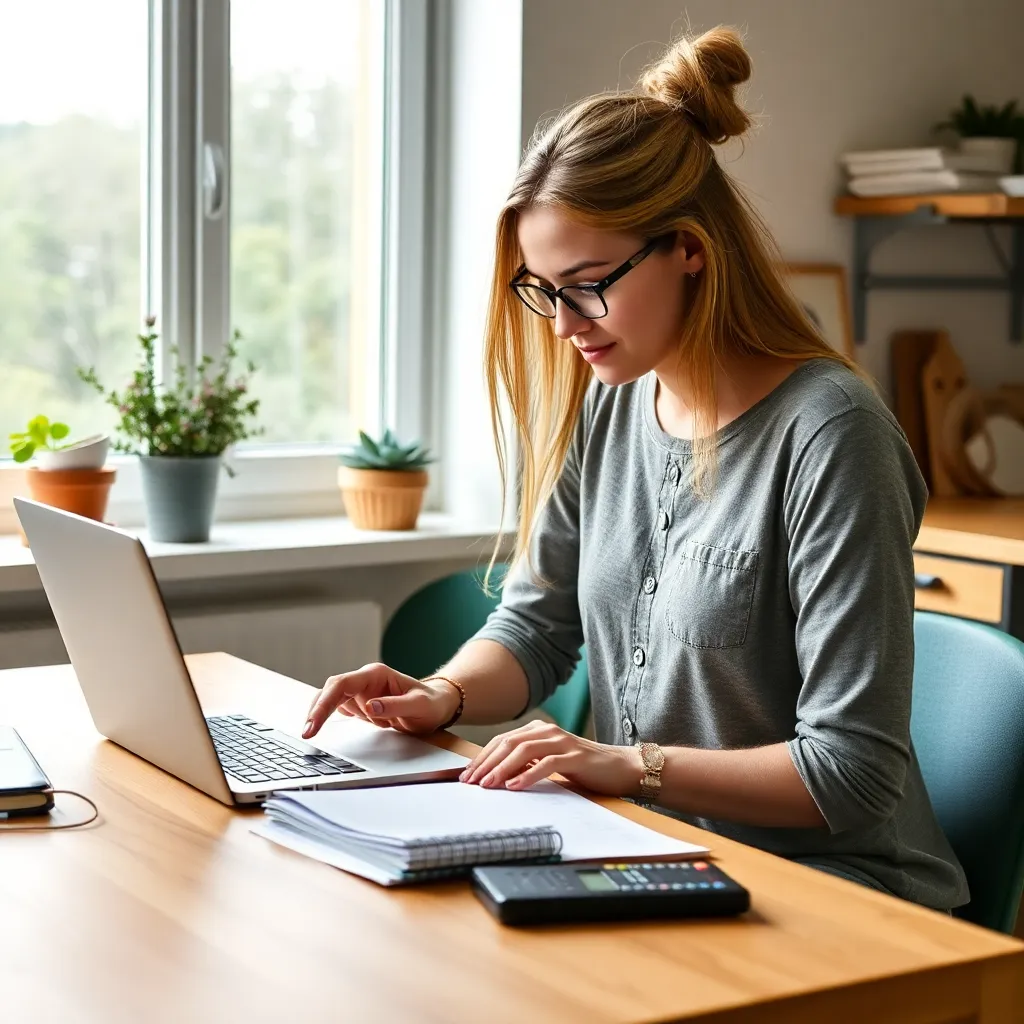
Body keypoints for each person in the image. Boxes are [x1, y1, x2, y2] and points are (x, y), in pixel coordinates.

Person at [304, 25, 968, 911]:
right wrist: (440, 696)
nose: (564, 324)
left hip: (839, 894)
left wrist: (624, 765)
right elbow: (538, 628)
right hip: (653, 854)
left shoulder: (832, 437)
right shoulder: (615, 404)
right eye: (543, 292)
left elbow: (848, 773)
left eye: (587, 284)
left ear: (689, 248)